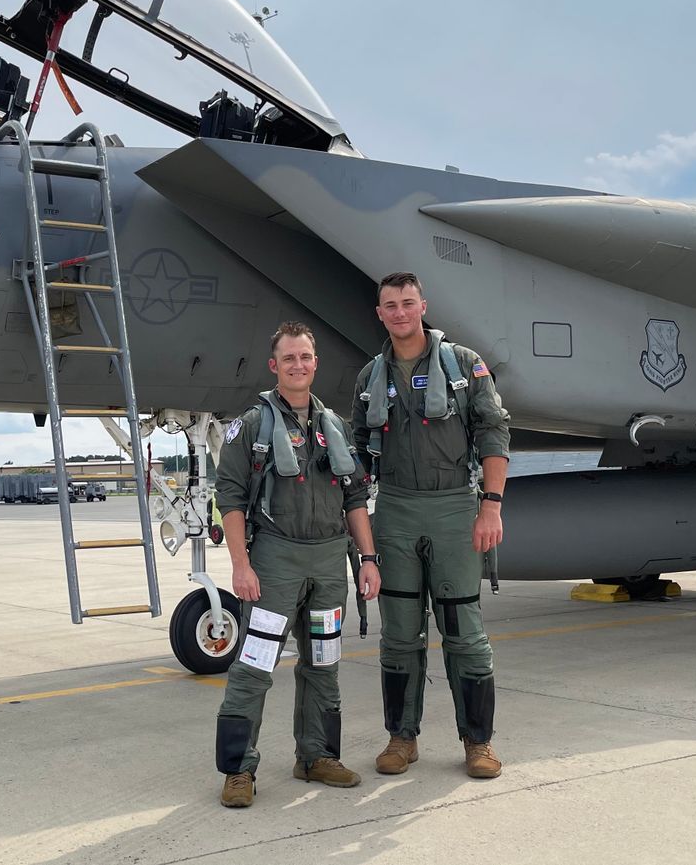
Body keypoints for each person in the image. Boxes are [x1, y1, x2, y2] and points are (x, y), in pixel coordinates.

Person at [351, 272, 511, 779]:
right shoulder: (369, 377)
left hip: (452, 509)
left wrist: (491, 506)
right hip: (395, 510)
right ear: (380, 314)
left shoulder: (464, 365)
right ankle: (402, 738)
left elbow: (493, 431)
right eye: (390, 305)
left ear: (423, 306)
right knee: (398, 634)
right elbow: (356, 455)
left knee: (465, 632)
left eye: (407, 303)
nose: (399, 312)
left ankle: (478, 743)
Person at [214, 321, 380, 808]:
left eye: (305, 357)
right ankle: (238, 771)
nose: (299, 365)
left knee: (323, 664)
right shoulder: (250, 427)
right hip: (276, 562)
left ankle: (318, 756)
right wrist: (241, 566)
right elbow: (230, 499)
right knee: (255, 666)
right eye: (289, 358)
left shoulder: (335, 428)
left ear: (315, 362)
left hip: (330, 565)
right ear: (275, 365)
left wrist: (367, 559)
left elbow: (355, 498)